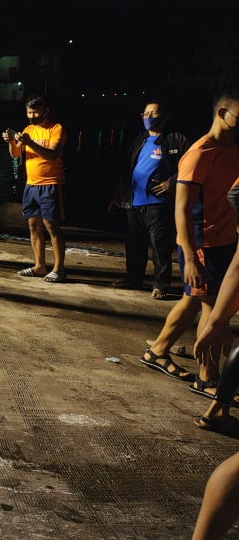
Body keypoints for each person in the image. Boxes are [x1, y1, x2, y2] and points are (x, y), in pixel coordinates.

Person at [139, 87, 239, 395]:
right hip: (202, 244)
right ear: (222, 113)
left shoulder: (233, 149)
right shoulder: (198, 154)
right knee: (211, 308)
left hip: (225, 241)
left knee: (192, 300)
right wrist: (191, 257)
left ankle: (158, 350)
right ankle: (207, 377)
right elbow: (182, 209)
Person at [109, 99, 190, 299]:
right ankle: (133, 279)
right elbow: (127, 170)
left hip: (158, 204)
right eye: (145, 114)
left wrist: (171, 183)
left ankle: (161, 285)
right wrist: (117, 196)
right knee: (134, 245)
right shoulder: (139, 140)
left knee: (160, 246)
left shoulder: (176, 140)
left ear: (165, 116)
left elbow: (191, 166)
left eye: (153, 113)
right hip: (133, 203)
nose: (148, 118)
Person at [3, 95, 68, 282]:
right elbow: (16, 154)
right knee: (33, 225)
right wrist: (11, 142)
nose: (32, 116)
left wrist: (30, 143)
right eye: (29, 112)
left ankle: (59, 268)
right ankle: (39, 265)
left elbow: (53, 155)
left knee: (51, 225)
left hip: (51, 183)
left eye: (35, 112)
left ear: (46, 111)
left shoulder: (56, 129)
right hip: (31, 184)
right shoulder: (28, 129)